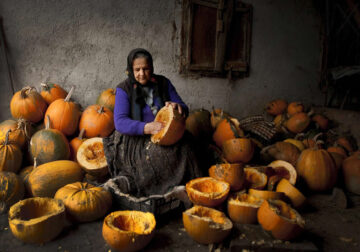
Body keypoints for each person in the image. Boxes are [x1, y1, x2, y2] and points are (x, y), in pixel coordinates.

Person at [103, 48, 202, 198]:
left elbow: (184, 107)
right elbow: (120, 122)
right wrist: (146, 127)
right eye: (137, 69)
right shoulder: (124, 89)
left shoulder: (163, 83)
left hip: (165, 131)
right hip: (135, 138)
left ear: (152, 68)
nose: (141, 74)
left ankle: (187, 187)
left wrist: (178, 108)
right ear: (131, 69)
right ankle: (163, 191)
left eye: (146, 69)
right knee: (159, 154)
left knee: (187, 144)